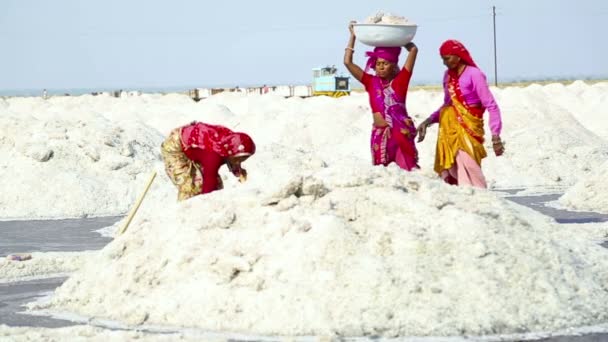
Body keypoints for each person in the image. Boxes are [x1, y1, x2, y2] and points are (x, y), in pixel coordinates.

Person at [416, 39, 505, 188]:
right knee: (452, 166)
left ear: (458, 55)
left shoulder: (474, 74)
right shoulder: (447, 76)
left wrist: (495, 136)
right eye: (442, 59)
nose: (444, 62)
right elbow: (448, 104)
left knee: (470, 165)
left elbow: (491, 105)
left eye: (447, 58)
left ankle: (479, 195)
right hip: (449, 130)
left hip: (469, 128)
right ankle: (464, 197)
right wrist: (428, 121)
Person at [344, 21, 419, 171]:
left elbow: (413, 50)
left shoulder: (400, 82)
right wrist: (352, 36)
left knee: (407, 171)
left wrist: (401, 38)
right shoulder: (370, 82)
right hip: (379, 134)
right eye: (378, 63)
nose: (381, 66)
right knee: (383, 174)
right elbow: (347, 62)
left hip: (400, 135)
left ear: (393, 65)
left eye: (385, 63)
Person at [161, 121, 256, 201]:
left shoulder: (230, 143)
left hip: (198, 147)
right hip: (176, 146)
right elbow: (209, 180)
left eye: (244, 159)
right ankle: (185, 212)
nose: (239, 162)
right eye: (239, 159)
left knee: (217, 186)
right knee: (192, 185)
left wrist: (239, 172)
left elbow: (233, 158)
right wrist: (208, 204)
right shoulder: (213, 157)